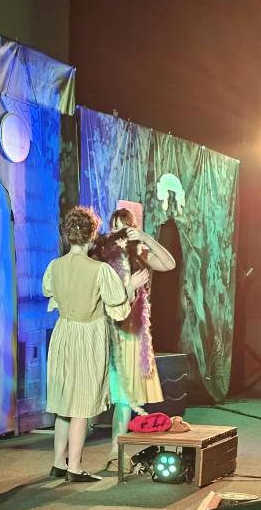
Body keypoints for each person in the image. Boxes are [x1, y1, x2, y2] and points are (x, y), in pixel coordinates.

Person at [42, 206, 134, 481]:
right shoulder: (100, 270)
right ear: (92, 235)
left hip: (63, 333)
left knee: (64, 403)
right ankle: (74, 467)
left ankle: (58, 462)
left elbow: (49, 291)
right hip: (87, 335)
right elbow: (118, 307)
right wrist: (130, 290)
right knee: (81, 404)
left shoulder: (55, 266)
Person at [92, 208, 176, 470]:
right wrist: (128, 286)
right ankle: (86, 456)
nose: (120, 232)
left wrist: (146, 238)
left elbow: (169, 264)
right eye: (116, 226)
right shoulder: (101, 256)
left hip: (133, 332)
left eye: (126, 227)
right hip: (110, 328)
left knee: (124, 396)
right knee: (111, 395)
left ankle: (115, 454)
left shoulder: (140, 252)